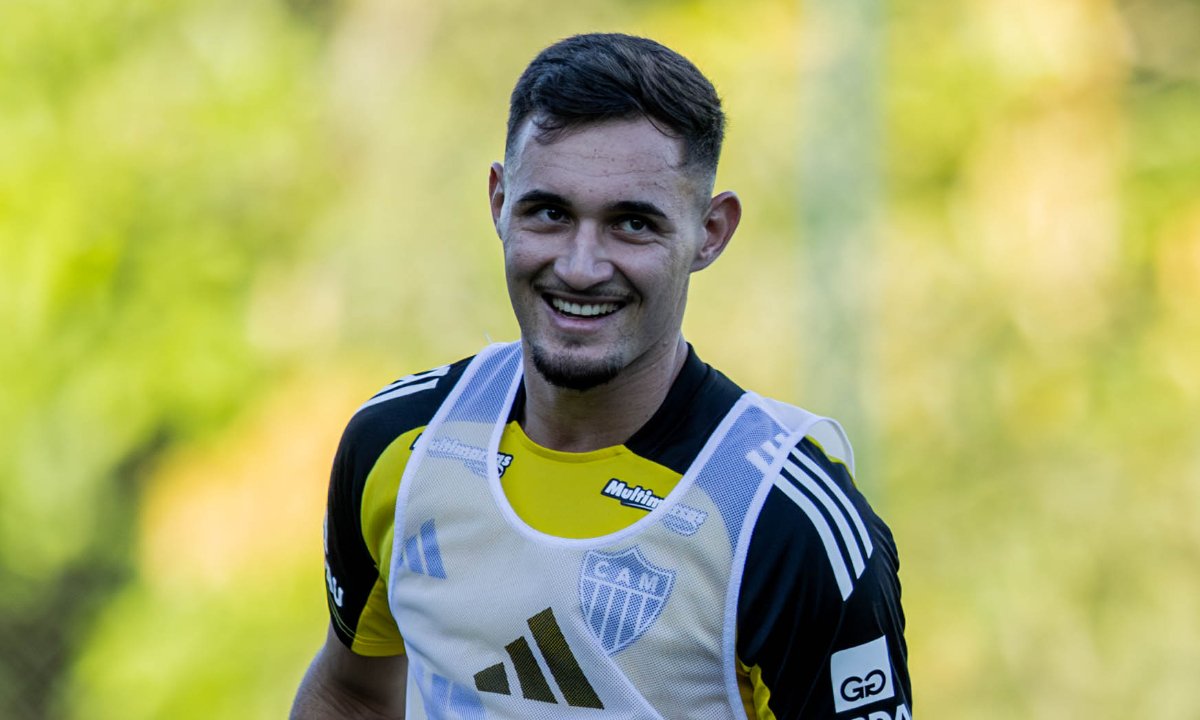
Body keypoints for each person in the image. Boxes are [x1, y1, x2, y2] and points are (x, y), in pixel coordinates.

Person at [292, 32, 910, 720]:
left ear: (711, 231)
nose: (582, 266)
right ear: (499, 200)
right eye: (550, 213)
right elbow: (351, 695)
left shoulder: (784, 520)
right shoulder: (398, 444)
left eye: (632, 224)